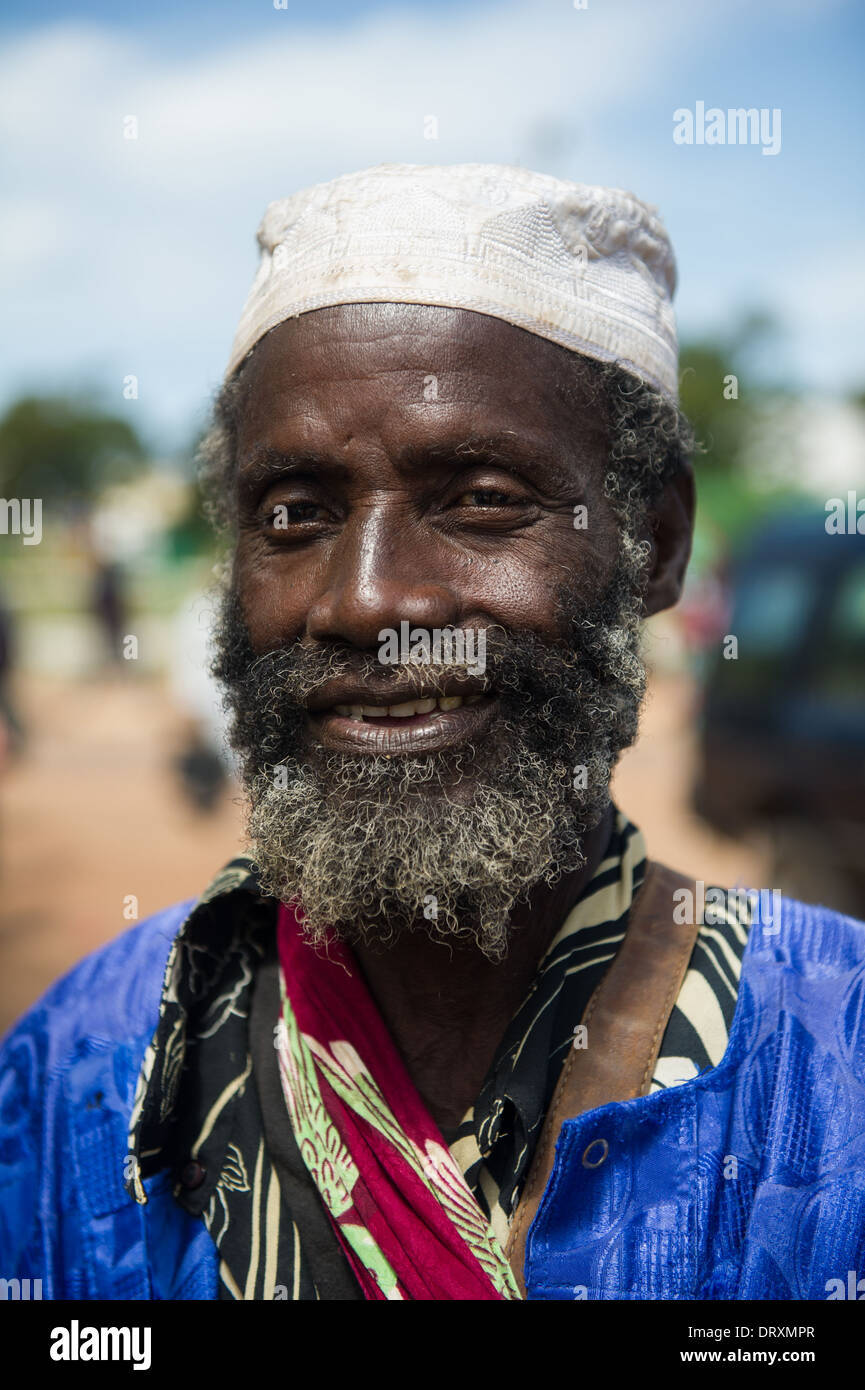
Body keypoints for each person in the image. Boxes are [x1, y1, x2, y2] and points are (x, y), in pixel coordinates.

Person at [1, 164, 863, 1302]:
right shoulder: (77, 1079)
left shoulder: (835, 1065)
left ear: (654, 542)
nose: (365, 604)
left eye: (481, 498)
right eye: (295, 513)